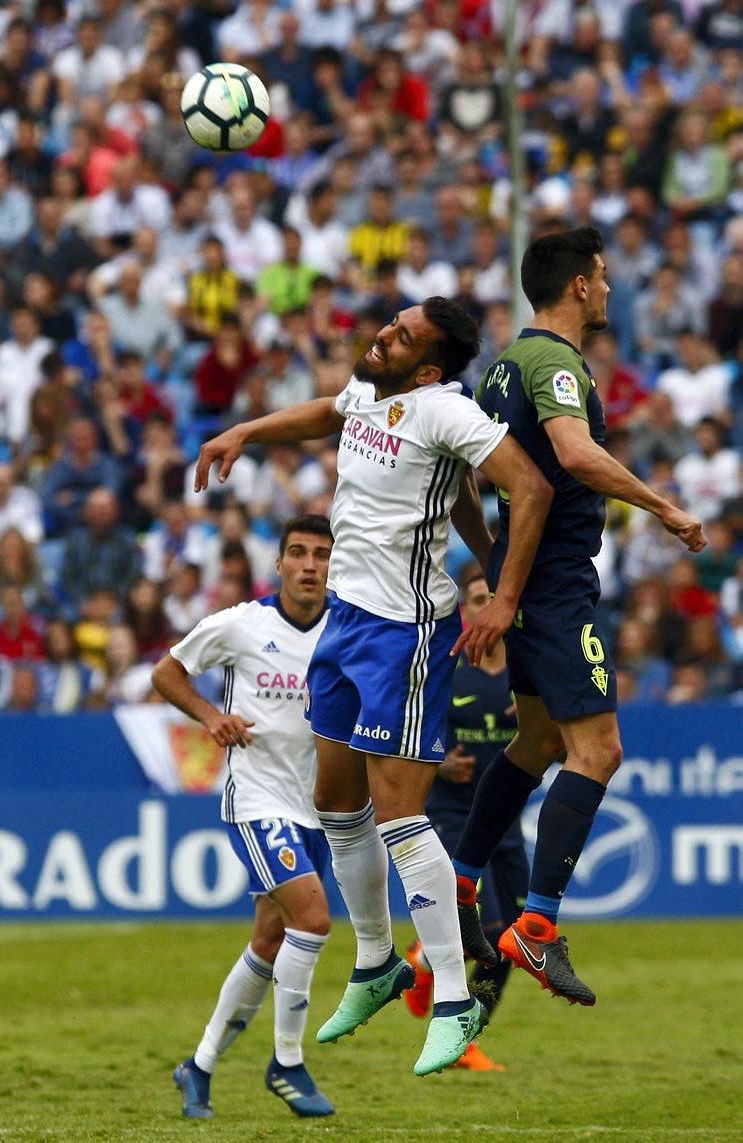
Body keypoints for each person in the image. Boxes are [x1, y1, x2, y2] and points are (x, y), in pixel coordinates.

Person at [194, 297, 553, 1076]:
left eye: (401, 335)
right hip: (346, 622)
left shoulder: (443, 411)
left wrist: (506, 593)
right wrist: (247, 430)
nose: (382, 333)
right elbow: (331, 410)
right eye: (392, 321)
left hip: (404, 632)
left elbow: (529, 487)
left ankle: (454, 999)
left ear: (428, 367)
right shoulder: (370, 391)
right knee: (336, 803)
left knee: (398, 815)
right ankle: (376, 961)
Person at [451, 228, 705, 1007]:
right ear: (577, 287)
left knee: (535, 742)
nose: (607, 285)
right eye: (600, 275)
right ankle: (537, 924)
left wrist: (496, 568)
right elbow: (575, 454)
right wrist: (662, 504)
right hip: (558, 586)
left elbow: (467, 477)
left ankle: (460, 882)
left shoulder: (500, 369)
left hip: (526, 580)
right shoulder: (551, 362)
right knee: (598, 751)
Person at [152, 515, 336, 1120]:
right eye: (299, 554)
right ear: (279, 564)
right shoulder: (242, 624)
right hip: (256, 799)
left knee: (271, 937)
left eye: (322, 556)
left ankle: (198, 1067)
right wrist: (209, 716)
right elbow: (167, 671)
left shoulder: (347, 629)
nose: (310, 566)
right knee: (312, 918)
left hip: (317, 807)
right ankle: (286, 1061)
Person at [403, 570, 527, 1073]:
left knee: (518, 939)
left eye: (498, 598)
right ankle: (459, 1038)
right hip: (454, 816)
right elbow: (408, 738)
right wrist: (440, 766)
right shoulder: (447, 670)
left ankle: (426, 961)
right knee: (493, 936)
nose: (490, 606)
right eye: (479, 598)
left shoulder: (526, 672)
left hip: (506, 821)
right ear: (467, 612)